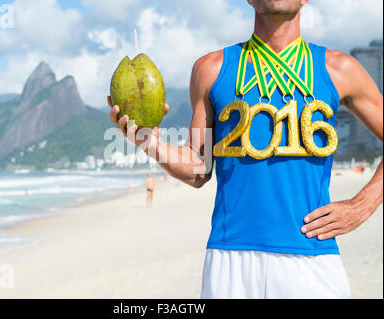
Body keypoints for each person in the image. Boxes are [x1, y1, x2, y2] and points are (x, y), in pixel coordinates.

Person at [108, 0, 383, 298]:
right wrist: (150, 142)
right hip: (230, 256)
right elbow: (199, 168)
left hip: (312, 253)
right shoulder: (210, 69)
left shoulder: (339, 69)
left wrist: (363, 204)